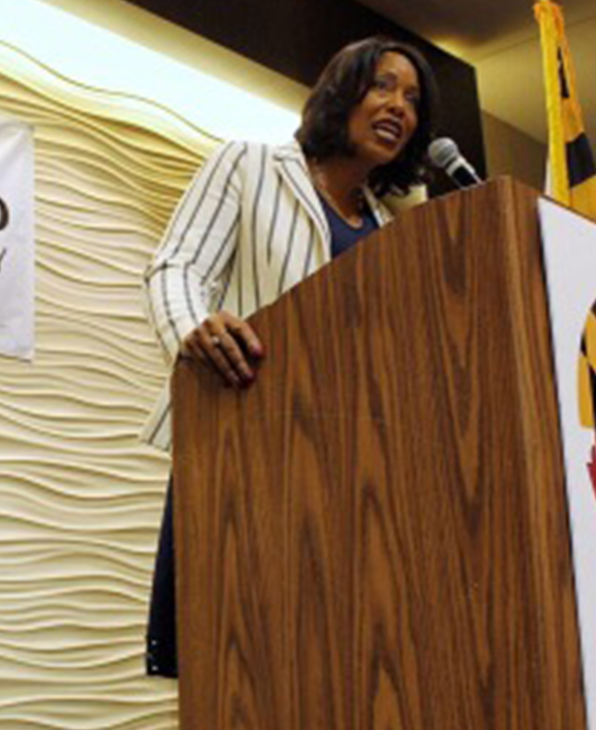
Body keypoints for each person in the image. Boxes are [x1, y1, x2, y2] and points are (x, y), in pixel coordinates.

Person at [139, 36, 441, 678]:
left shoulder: (390, 234)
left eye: (412, 99)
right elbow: (175, 268)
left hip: (349, 473)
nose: (399, 108)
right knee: (231, 662)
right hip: (241, 446)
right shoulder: (248, 164)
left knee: (335, 662)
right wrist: (195, 327)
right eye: (382, 85)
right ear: (341, 91)